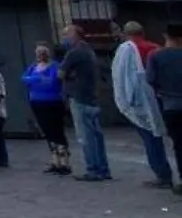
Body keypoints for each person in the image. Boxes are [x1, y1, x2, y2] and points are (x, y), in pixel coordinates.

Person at [114, 22, 170, 190]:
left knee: (151, 139)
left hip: (144, 101)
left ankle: (162, 174)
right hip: (163, 97)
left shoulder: (128, 50)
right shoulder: (155, 48)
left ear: (125, 34)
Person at [59, 23, 109, 182]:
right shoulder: (88, 51)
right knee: (96, 136)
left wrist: (69, 76)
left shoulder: (73, 53)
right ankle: (103, 169)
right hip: (92, 97)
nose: (64, 38)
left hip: (80, 97)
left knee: (86, 137)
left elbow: (60, 74)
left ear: (75, 35)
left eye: (67, 34)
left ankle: (93, 169)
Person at [21, 42, 70, 175]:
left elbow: (53, 81)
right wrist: (37, 79)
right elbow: (24, 78)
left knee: (57, 130)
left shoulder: (54, 66)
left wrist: (36, 80)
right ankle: (54, 161)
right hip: (37, 102)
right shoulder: (33, 66)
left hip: (53, 102)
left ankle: (64, 161)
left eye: (42, 53)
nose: (40, 55)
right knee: (47, 130)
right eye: (38, 53)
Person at [146, 23, 182, 195]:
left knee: (179, 144)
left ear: (166, 36)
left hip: (170, 105)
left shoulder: (156, 56)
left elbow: (151, 79)